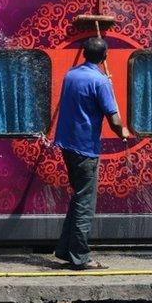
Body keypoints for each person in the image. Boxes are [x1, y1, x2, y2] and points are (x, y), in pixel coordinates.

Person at [54, 37, 130, 270]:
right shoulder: (100, 81)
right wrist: (125, 132)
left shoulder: (71, 75)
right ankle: (80, 256)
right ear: (105, 56)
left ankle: (66, 250)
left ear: (84, 53)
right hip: (86, 147)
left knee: (78, 196)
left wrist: (103, 83)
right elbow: (114, 119)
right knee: (85, 202)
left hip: (67, 144)